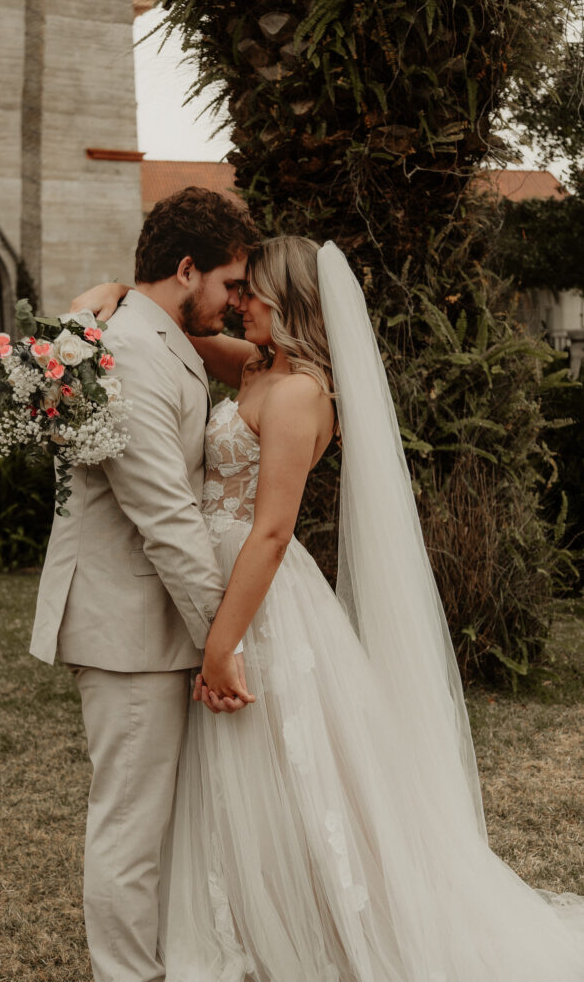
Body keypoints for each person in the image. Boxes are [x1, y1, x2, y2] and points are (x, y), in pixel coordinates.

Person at [83, 235, 584, 981]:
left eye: (249, 292)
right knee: (237, 771)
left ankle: (328, 928)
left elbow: (274, 531)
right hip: (211, 584)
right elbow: (181, 335)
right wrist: (110, 303)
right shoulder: (255, 367)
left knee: (295, 767)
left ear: (287, 300)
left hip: (261, 598)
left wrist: (222, 644)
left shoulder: (299, 394)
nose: (236, 303)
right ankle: (249, 916)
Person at [29, 186, 259, 982]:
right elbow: (164, 517)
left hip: (155, 620)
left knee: (158, 823)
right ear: (187, 268)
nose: (236, 304)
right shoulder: (124, 355)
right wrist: (219, 643)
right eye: (229, 285)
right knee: (129, 828)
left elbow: (237, 360)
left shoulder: (154, 333)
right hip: (125, 624)